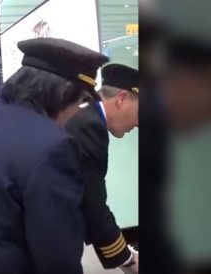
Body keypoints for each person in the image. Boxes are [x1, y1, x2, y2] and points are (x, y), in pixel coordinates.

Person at [0, 37, 108, 274]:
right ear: (65, 91)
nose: (78, 111)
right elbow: (57, 254)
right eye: (83, 101)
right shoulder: (51, 147)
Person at [65, 64, 139, 273]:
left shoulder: (83, 114)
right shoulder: (89, 127)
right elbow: (92, 205)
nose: (140, 123)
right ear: (121, 98)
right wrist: (129, 261)